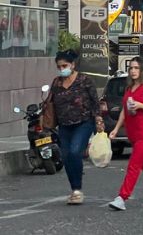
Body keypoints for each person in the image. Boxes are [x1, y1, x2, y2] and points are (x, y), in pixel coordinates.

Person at [44, 50, 102, 205]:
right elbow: (50, 102)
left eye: (65, 66)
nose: (62, 69)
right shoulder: (56, 83)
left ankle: (77, 189)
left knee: (75, 151)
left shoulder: (85, 80)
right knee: (66, 156)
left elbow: (95, 102)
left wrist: (98, 119)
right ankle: (74, 189)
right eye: (59, 67)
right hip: (64, 125)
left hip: (84, 123)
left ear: (73, 65)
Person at [107, 57, 143, 211]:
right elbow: (124, 111)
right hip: (133, 133)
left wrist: (140, 105)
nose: (133, 71)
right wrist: (116, 128)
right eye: (131, 68)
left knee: (134, 165)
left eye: (136, 68)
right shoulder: (129, 88)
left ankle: (122, 197)